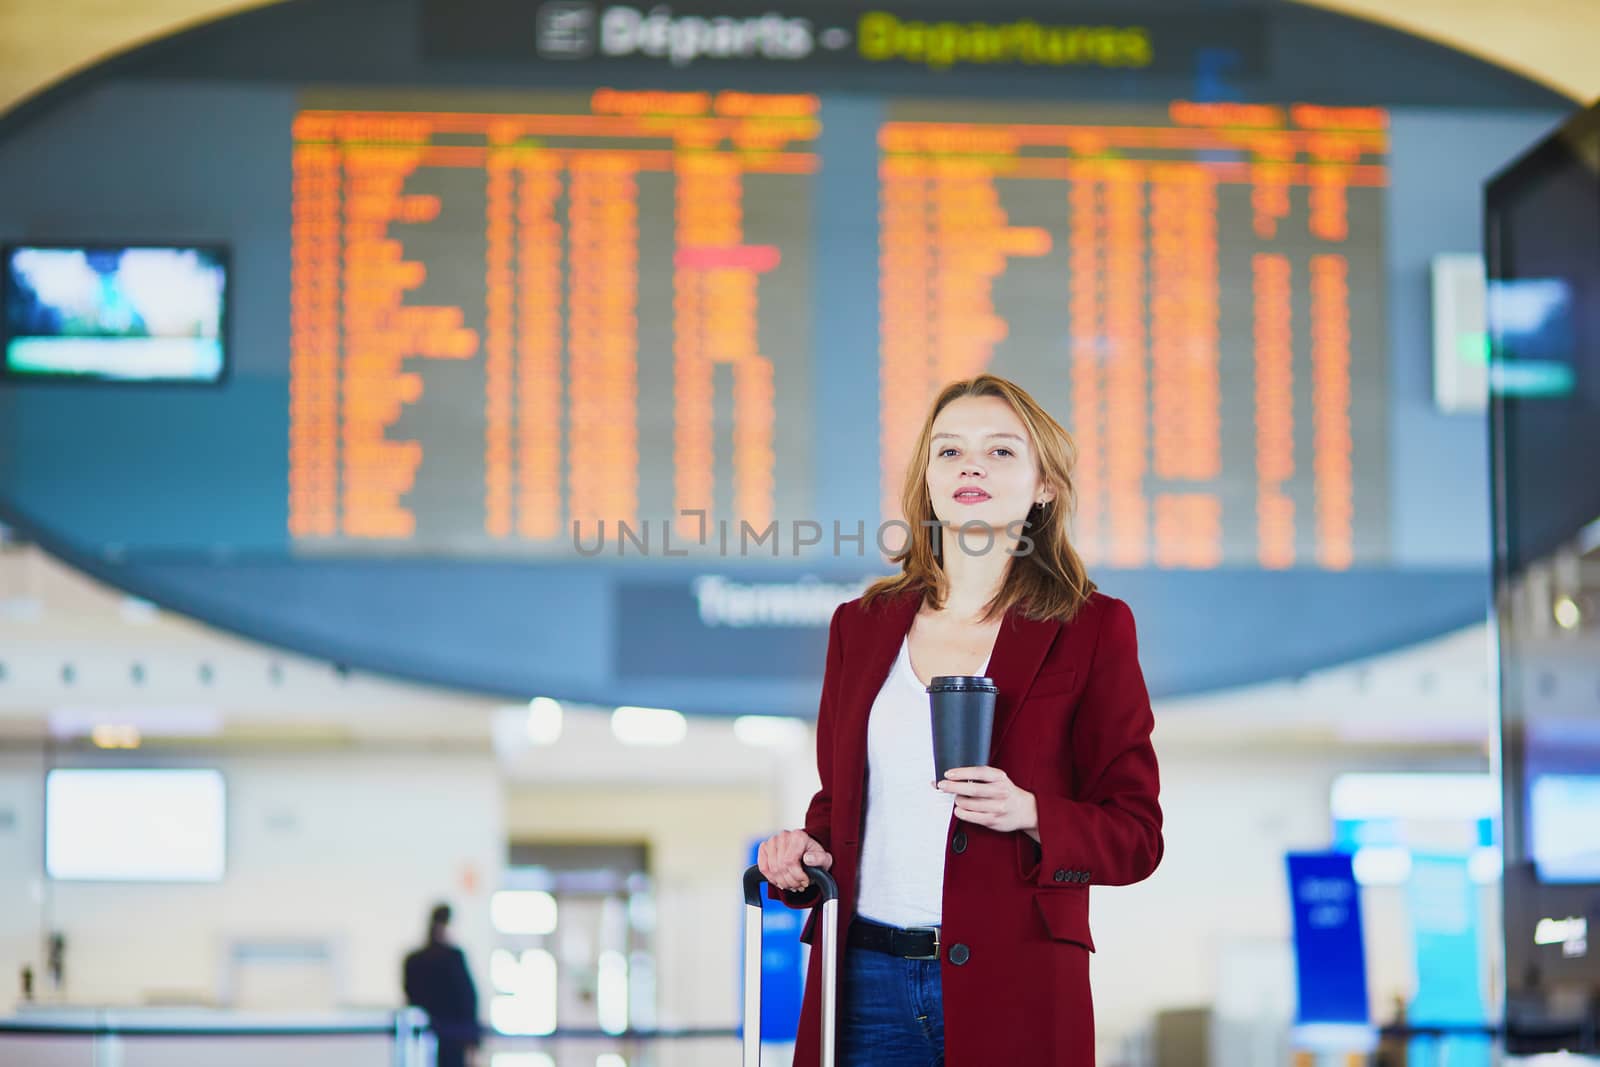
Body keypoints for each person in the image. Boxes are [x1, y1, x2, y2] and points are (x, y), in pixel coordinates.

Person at [757, 373, 1164, 1066]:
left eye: (1001, 451)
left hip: (1018, 984)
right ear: (928, 479)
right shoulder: (861, 626)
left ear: (1045, 486)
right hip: (864, 983)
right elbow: (841, 804)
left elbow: (1136, 834)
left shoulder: (1093, 627)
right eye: (949, 451)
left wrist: (1032, 810)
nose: (970, 464)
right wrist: (802, 851)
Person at [402, 903, 482, 1067]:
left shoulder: (415, 960)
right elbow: (468, 1000)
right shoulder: (453, 958)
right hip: (450, 1037)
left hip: (425, 1036)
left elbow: (410, 997)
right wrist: (473, 1041)